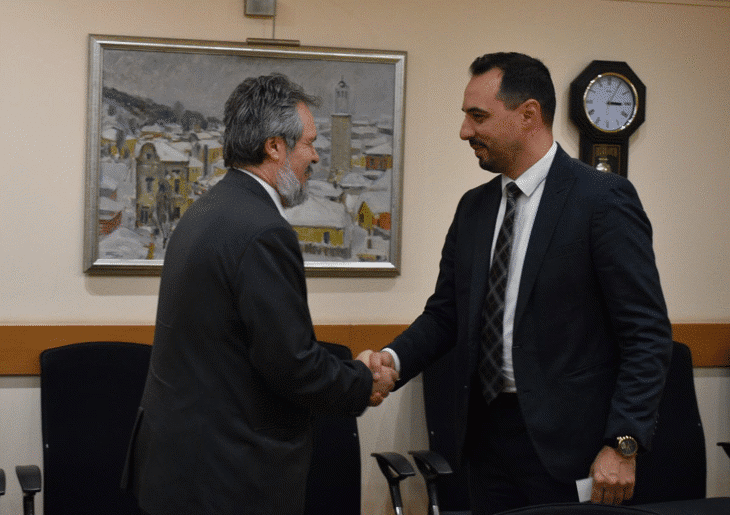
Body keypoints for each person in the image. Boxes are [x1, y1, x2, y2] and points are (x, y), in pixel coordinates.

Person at [369, 52, 672, 514]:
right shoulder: (474, 208)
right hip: (484, 444)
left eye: (478, 116)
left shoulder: (601, 201)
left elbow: (646, 334)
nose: (464, 131)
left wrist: (623, 443)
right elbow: (446, 314)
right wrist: (392, 362)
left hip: (573, 451)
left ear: (528, 115)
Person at [121, 73, 397, 515]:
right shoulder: (264, 231)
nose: (315, 156)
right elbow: (292, 365)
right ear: (275, 147)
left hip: (178, 469)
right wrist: (363, 381)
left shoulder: (205, 210)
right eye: (309, 143)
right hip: (227, 480)